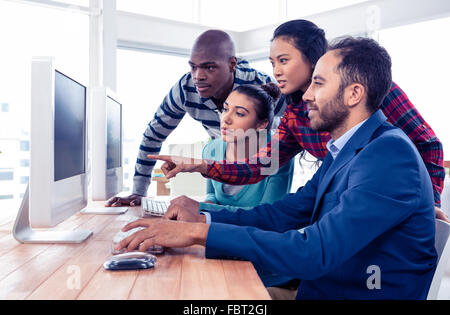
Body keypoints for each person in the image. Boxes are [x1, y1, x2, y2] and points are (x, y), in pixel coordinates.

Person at [115, 37, 437, 300]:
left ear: (354, 94)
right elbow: (279, 215)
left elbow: (315, 250)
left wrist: (198, 232)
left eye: (319, 84)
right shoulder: (342, 152)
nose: (306, 95)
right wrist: (202, 217)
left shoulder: (389, 156)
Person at [147, 20, 448, 222]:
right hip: (348, 209)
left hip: (393, 205)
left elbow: (429, 145)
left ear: (314, 59)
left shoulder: (370, 89)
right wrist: (197, 166)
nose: (276, 71)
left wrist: (429, 203)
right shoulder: (293, 116)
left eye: (284, 60)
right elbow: (258, 166)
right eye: (272, 62)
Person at [105, 29, 286, 207]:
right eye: (193, 67)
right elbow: (154, 135)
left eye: (209, 67)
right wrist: (139, 191)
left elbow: (298, 128)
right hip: (222, 163)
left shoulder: (260, 86)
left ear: (232, 64)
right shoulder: (186, 89)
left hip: (263, 170)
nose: (198, 76)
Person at [169, 83, 295, 288]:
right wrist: (199, 208)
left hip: (263, 265)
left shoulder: (277, 157)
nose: (225, 119)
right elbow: (212, 196)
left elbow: (266, 219)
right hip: (223, 249)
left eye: (240, 113)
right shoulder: (211, 149)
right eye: (225, 108)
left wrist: (199, 209)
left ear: (261, 124)